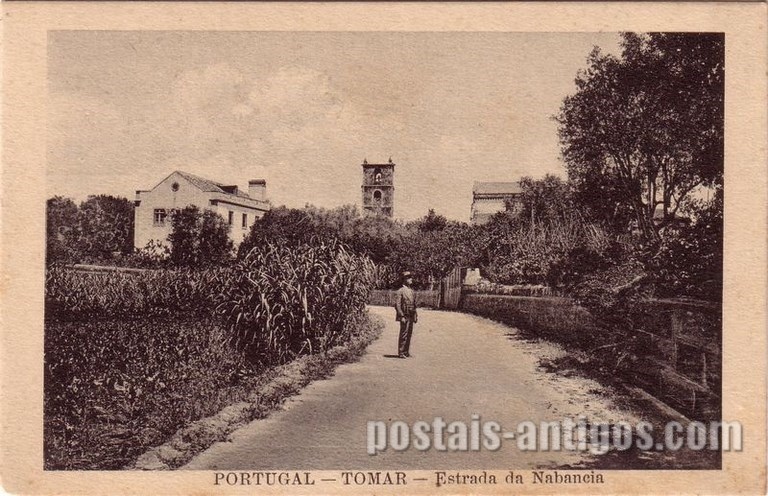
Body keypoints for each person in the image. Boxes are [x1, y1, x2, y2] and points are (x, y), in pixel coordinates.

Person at [394, 271, 418, 358]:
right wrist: (401, 316)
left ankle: (406, 351)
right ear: (404, 279)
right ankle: (401, 352)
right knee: (404, 333)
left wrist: (415, 315)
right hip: (405, 315)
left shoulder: (411, 291)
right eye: (409, 278)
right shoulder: (400, 291)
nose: (411, 279)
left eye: (411, 277)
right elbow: (397, 305)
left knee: (409, 334)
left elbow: (414, 304)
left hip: (411, 314)